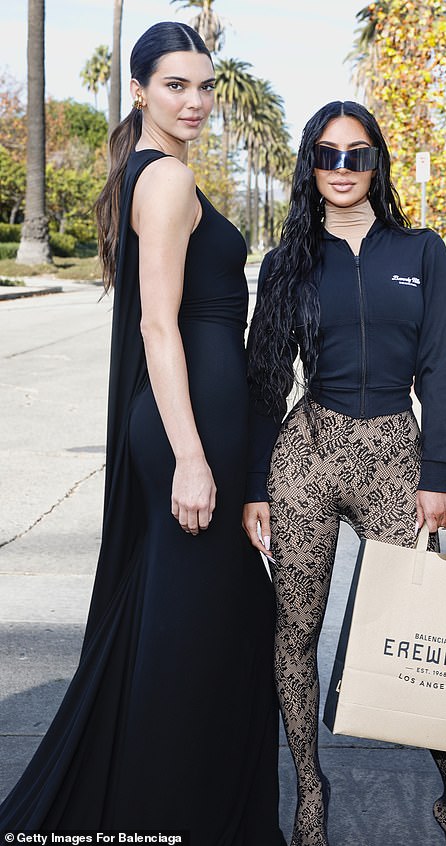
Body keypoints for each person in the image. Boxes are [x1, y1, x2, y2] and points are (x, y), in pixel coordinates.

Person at [0, 22, 285, 845]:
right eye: (175, 86)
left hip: (202, 428)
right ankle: (172, 819)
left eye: (203, 86)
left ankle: (178, 811)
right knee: (196, 641)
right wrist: (193, 459)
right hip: (188, 434)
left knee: (198, 627)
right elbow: (160, 329)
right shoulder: (162, 182)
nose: (194, 102)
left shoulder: (161, 172)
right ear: (139, 91)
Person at [243, 101, 446, 846]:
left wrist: (437, 472)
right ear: (309, 166)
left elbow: (439, 371)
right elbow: (264, 381)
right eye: (327, 154)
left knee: (424, 631)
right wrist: (257, 482)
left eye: (357, 155)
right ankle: (310, 792)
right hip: (307, 455)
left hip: (392, 455)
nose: (342, 169)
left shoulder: (420, 251)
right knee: (296, 632)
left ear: (376, 163)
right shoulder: (288, 260)